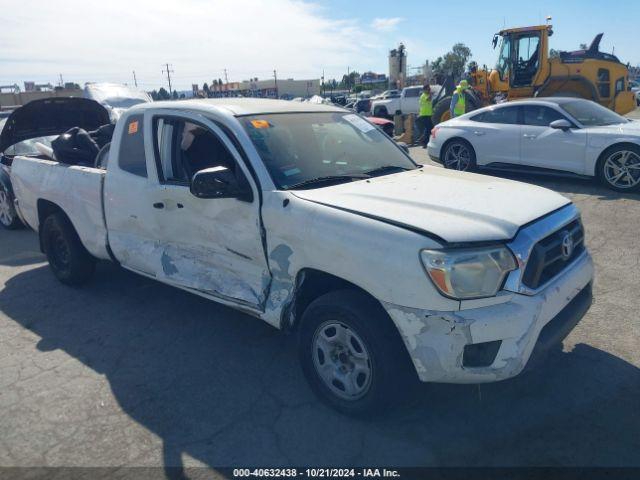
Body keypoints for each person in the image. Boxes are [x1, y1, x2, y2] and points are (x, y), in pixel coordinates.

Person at [417, 84, 433, 148]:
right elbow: (428, 99)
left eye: (430, 89)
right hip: (424, 115)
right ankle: (423, 142)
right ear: (424, 90)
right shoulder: (423, 96)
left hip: (428, 115)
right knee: (428, 129)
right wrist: (431, 94)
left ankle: (424, 141)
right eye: (428, 89)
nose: (429, 90)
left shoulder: (426, 95)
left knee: (429, 129)